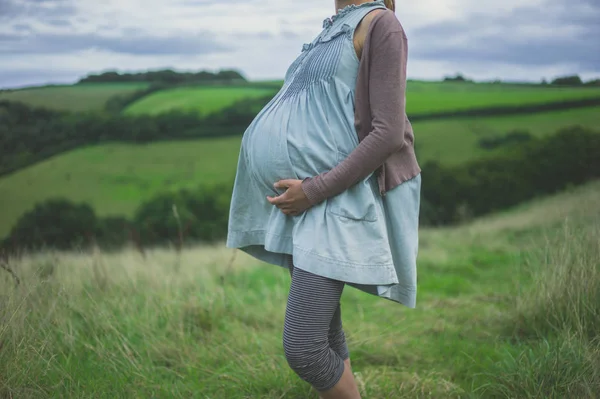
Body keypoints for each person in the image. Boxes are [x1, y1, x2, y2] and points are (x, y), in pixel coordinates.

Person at [226, 0, 421, 397]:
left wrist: (312, 190)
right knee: (326, 333)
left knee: (304, 346)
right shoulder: (329, 30)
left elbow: (388, 133)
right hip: (307, 206)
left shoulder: (382, 24)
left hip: (334, 202)